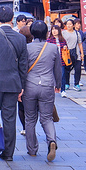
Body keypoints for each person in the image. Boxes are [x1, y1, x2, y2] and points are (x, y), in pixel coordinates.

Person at [0, 6, 28, 162]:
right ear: (12, 19)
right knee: (10, 118)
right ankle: (8, 153)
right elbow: (23, 65)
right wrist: (21, 86)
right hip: (13, 83)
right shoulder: (20, 38)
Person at [23, 21, 62, 161]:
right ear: (47, 32)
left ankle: (32, 150)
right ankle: (52, 141)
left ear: (32, 33)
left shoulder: (26, 48)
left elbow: (23, 68)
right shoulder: (52, 48)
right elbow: (57, 68)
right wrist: (58, 84)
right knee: (46, 118)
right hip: (47, 85)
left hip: (30, 85)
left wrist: (20, 88)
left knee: (30, 119)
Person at [61, 19, 83, 92]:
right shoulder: (63, 33)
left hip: (76, 53)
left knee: (78, 69)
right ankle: (67, 83)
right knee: (67, 69)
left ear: (73, 25)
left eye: (70, 24)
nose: (69, 25)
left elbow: (80, 43)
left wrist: (82, 53)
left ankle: (76, 84)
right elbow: (61, 42)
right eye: (67, 24)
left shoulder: (77, 33)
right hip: (67, 53)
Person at [47, 25, 69, 97]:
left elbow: (65, 49)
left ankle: (62, 90)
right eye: (53, 29)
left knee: (62, 75)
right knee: (51, 75)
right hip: (51, 60)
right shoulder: (49, 40)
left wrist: (65, 47)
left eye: (56, 29)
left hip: (61, 60)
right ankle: (52, 89)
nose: (54, 31)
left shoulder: (62, 40)